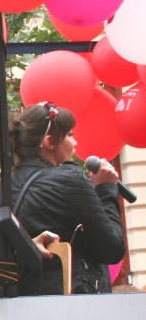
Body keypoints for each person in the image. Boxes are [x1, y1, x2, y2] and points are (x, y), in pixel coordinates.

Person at [10, 102, 125, 295]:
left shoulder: (4, 184)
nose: (76, 143)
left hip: (21, 300)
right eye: (70, 135)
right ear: (50, 142)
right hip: (69, 302)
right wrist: (106, 188)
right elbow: (113, 248)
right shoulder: (67, 179)